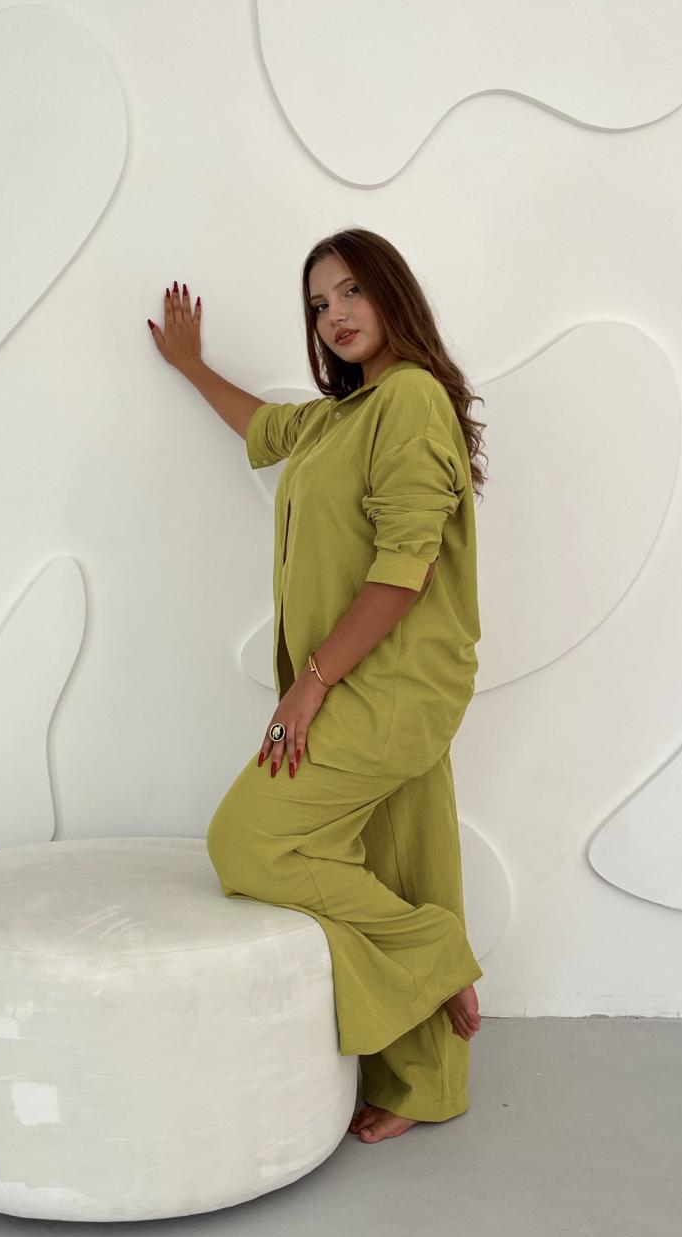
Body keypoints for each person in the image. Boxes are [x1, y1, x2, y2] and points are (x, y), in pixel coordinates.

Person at [147, 228, 488, 1143]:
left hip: (390, 684)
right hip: (366, 682)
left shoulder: (410, 399)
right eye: (317, 304)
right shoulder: (342, 417)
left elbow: (405, 567)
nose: (334, 314)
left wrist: (311, 684)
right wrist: (191, 365)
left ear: (391, 292)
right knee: (406, 858)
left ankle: (434, 953)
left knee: (249, 840)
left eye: (350, 292)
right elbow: (264, 427)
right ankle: (425, 1085)